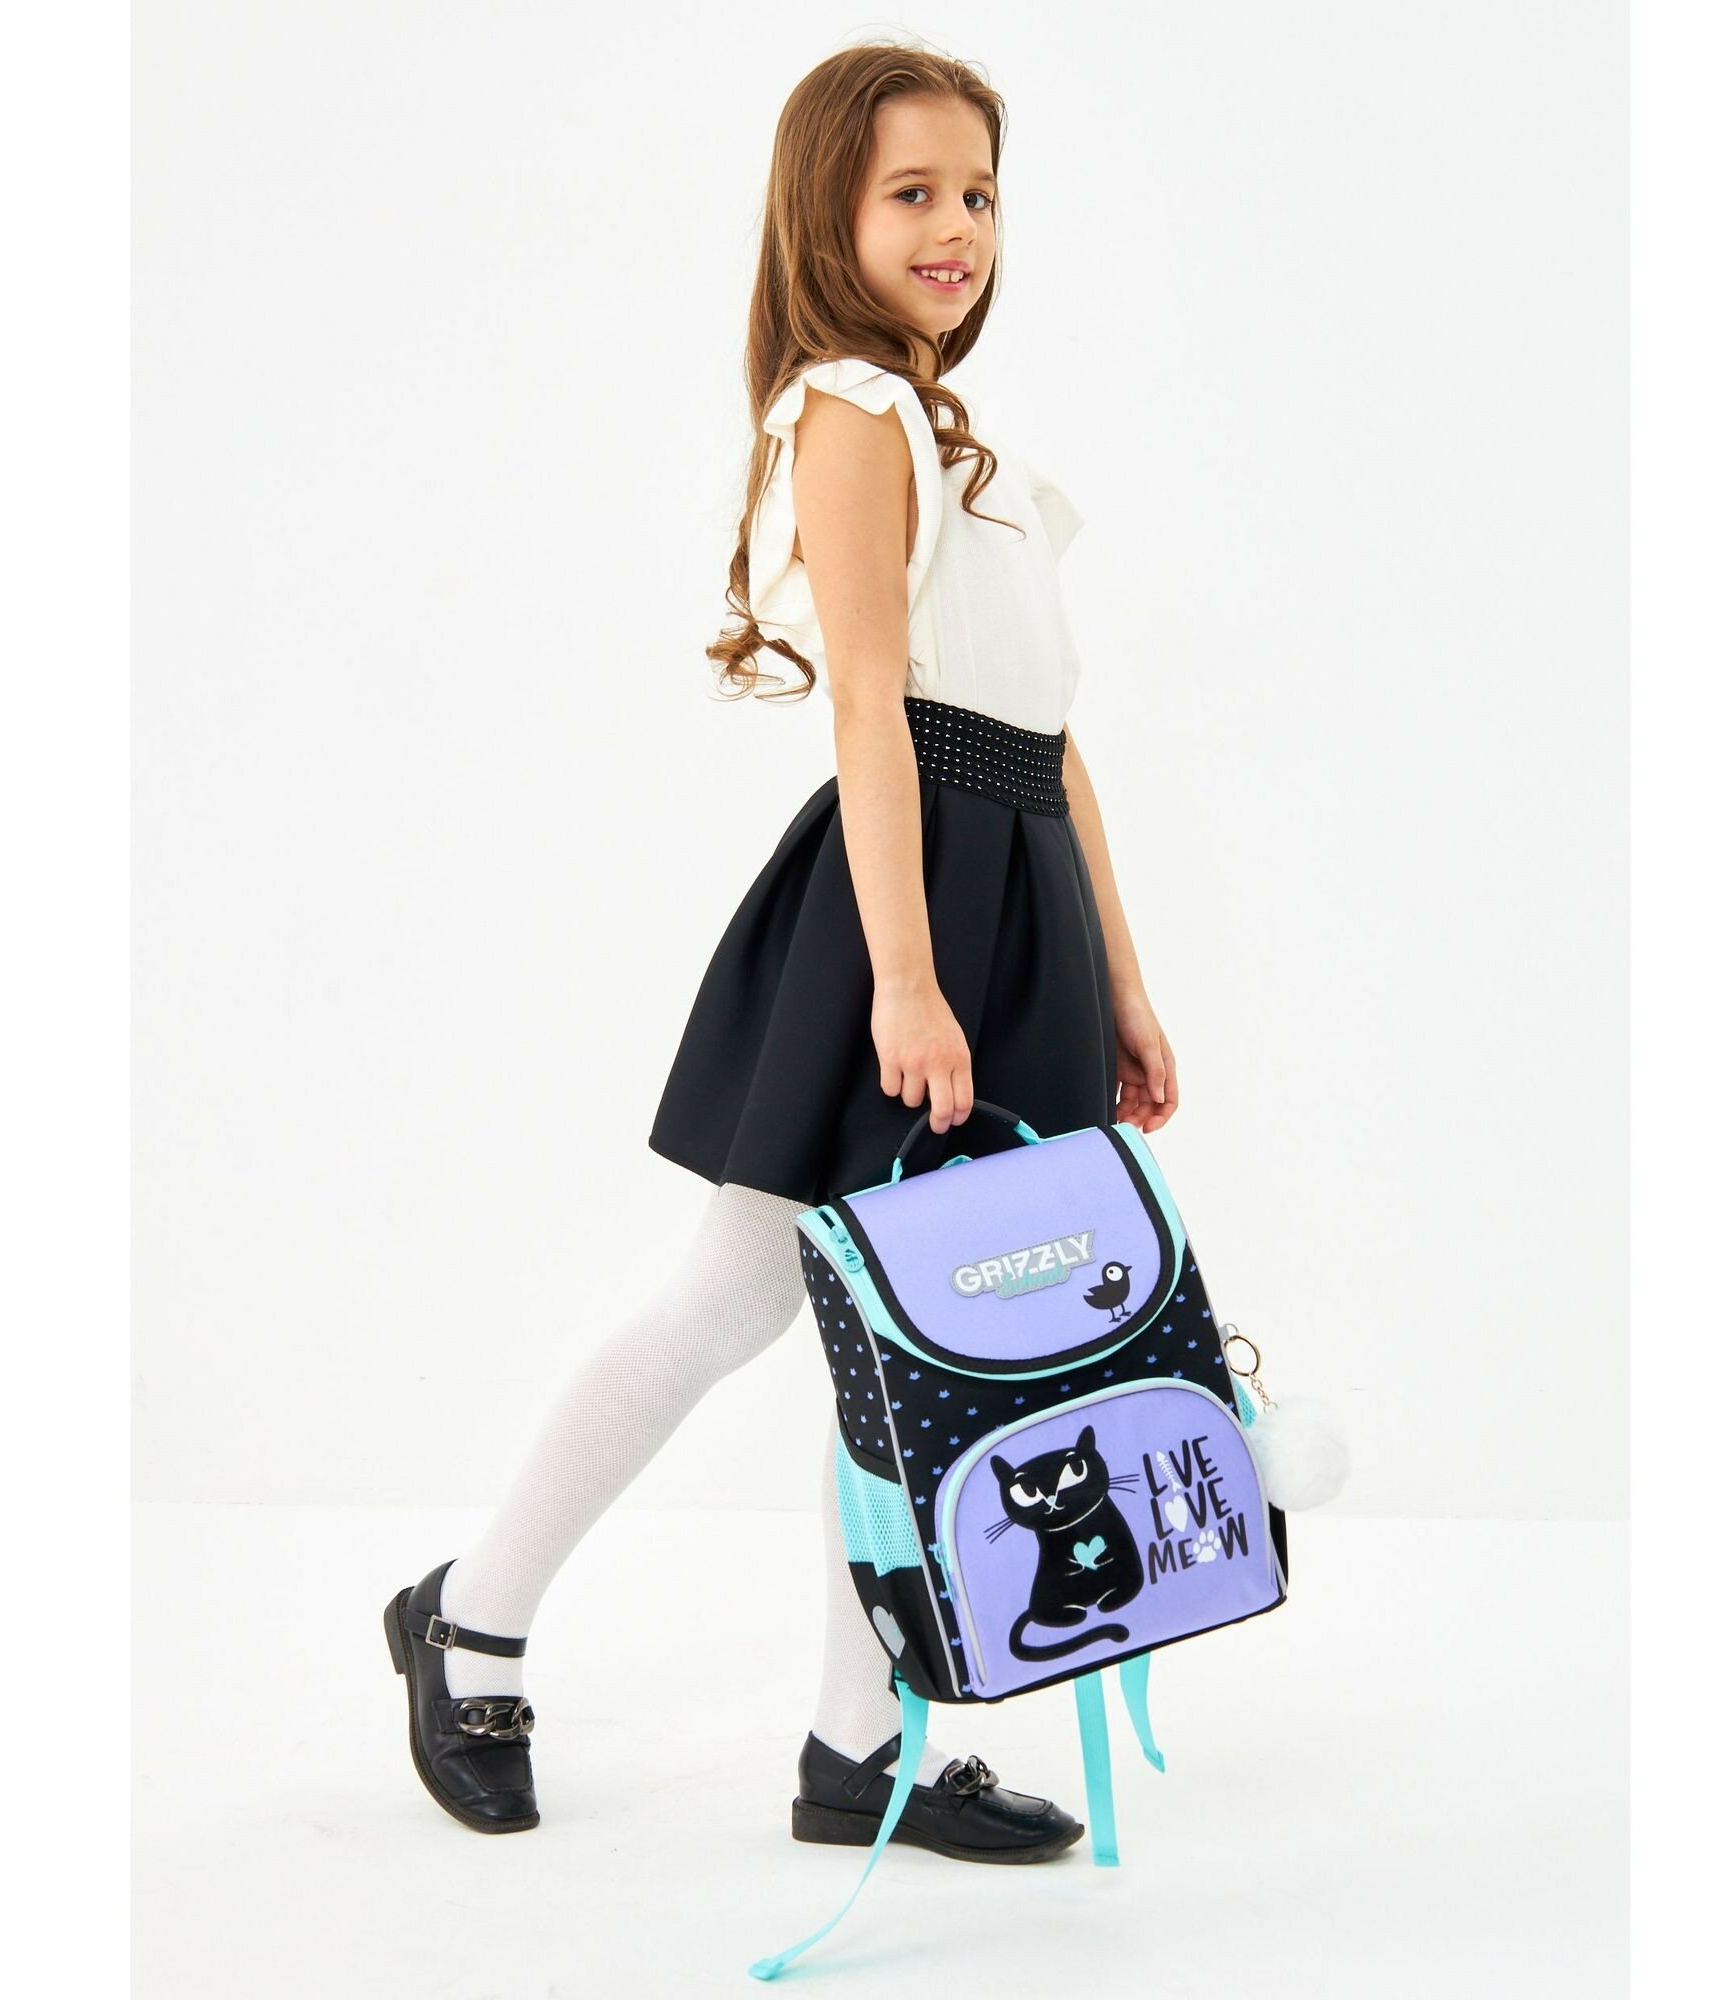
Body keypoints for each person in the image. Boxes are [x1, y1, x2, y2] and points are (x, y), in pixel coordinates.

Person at [383, 43, 1180, 1862]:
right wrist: (905, 976)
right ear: (828, 213)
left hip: (1020, 900)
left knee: (925, 1342)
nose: (956, 226)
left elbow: (1051, 741)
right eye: (914, 192)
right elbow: (876, 710)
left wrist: (1123, 983)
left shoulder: (971, 447)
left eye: (979, 194)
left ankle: (860, 1745)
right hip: (907, 905)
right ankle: (470, 1619)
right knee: (743, 1293)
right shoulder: (849, 410)